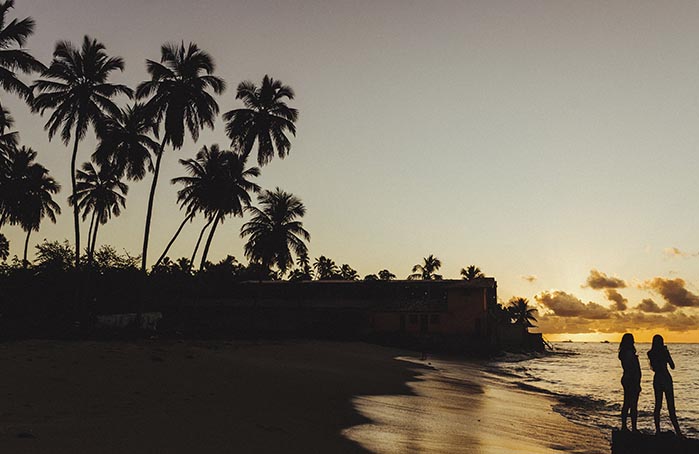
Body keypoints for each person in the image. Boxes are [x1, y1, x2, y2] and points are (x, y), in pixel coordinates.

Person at [647, 334, 682, 436]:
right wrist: (666, 353)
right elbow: (672, 366)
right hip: (666, 378)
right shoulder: (664, 352)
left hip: (657, 378)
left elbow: (654, 368)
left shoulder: (650, 353)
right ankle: (678, 432)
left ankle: (658, 431)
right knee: (671, 407)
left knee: (658, 406)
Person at [618, 333, 641, 431]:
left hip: (626, 378)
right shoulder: (629, 353)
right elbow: (633, 368)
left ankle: (624, 426)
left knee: (627, 403)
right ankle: (633, 428)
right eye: (632, 340)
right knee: (633, 404)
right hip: (631, 379)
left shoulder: (624, 353)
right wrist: (636, 383)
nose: (634, 342)